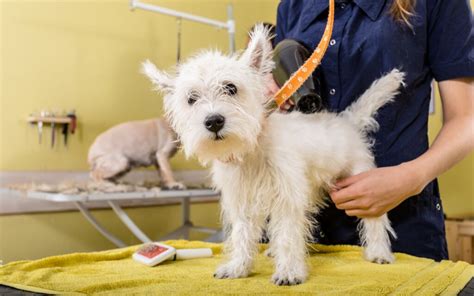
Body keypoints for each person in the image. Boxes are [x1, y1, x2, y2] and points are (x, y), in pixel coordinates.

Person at [272, 0, 473, 261]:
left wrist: (409, 178)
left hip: (400, 223)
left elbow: (465, 119)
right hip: (304, 225)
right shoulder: (292, 6)